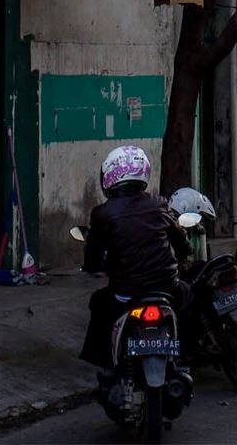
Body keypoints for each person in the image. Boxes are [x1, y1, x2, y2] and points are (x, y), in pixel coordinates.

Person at [79, 145, 186, 366]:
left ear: (110, 175)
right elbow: (180, 239)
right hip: (166, 287)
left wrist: (91, 266)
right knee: (189, 297)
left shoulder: (103, 213)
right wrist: (184, 257)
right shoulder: (159, 204)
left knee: (98, 303)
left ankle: (106, 363)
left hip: (126, 293)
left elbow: (93, 252)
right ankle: (186, 350)